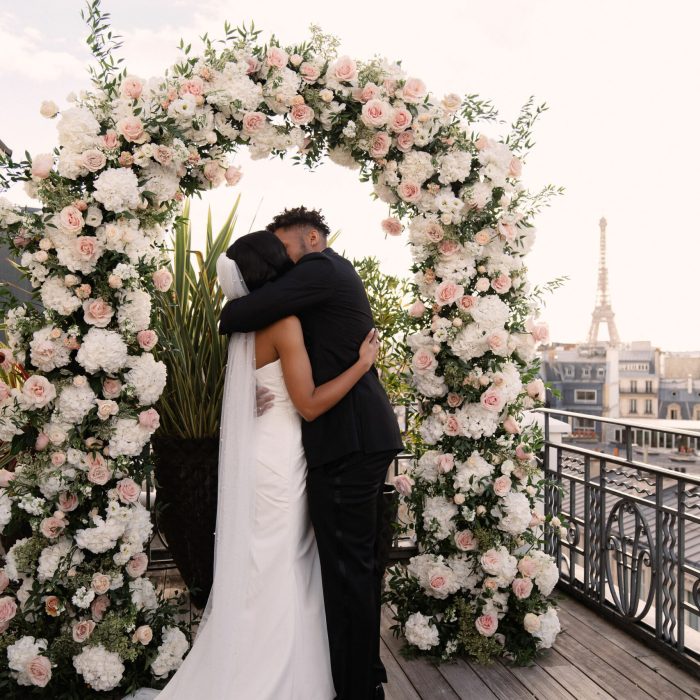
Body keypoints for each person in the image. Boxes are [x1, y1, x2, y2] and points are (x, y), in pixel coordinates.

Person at [130, 230, 380, 699]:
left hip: (261, 451)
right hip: (284, 455)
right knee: (284, 558)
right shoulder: (283, 322)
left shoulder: (247, 327)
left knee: (265, 559)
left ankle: (264, 662)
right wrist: (362, 366)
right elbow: (307, 404)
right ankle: (279, 672)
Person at [219, 207, 404, 700]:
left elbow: (235, 315)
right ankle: (360, 677)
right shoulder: (312, 291)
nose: (285, 260)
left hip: (349, 436)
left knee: (349, 570)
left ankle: (359, 687)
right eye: (276, 253)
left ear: (314, 239)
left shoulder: (322, 268)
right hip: (342, 436)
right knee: (350, 568)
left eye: (288, 247)